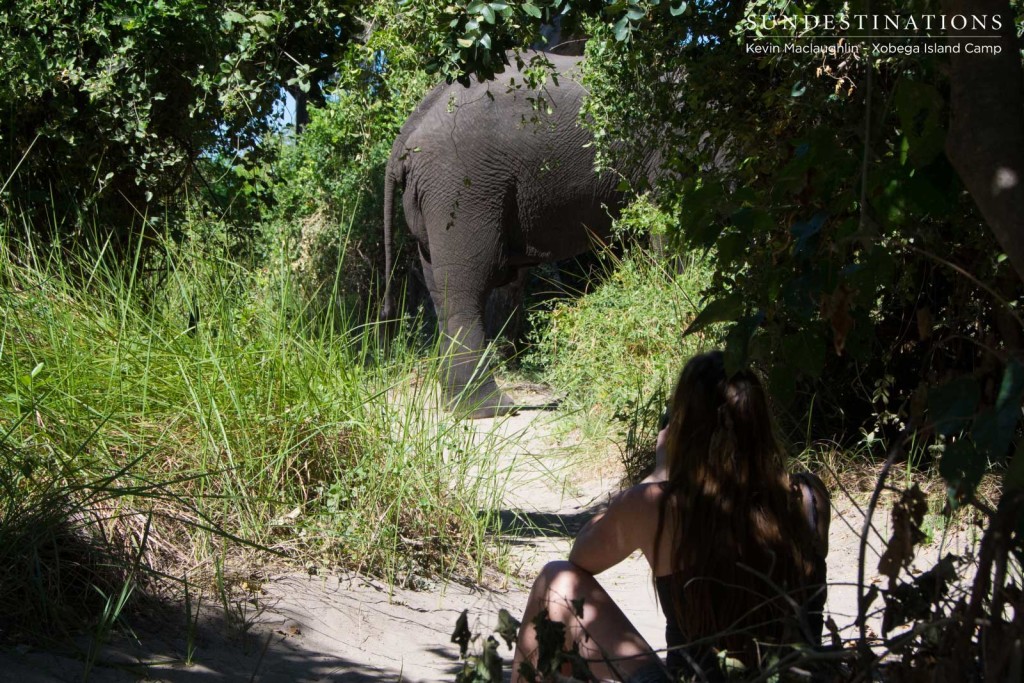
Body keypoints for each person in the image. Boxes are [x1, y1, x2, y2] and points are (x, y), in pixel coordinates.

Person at [510, 351, 830, 682]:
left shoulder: (658, 505)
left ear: (682, 427)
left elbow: (579, 558)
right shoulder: (808, 496)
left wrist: (658, 473)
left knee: (558, 579)